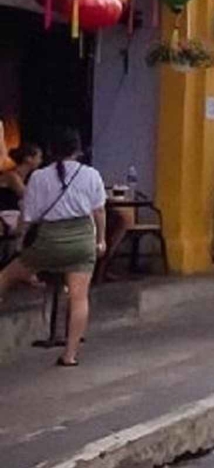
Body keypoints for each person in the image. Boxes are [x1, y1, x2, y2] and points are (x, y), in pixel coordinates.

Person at [0, 132, 106, 366]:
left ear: (50, 151)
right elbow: (99, 211)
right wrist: (101, 240)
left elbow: (29, 216)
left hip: (48, 241)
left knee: (7, 275)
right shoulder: (91, 175)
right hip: (81, 241)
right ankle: (70, 355)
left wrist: (20, 240)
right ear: (78, 150)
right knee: (79, 298)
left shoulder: (39, 177)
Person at [0, 143, 41, 217]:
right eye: (39, 157)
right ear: (28, 159)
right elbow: (28, 197)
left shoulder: (27, 177)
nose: (40, 161)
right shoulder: (12, 176)